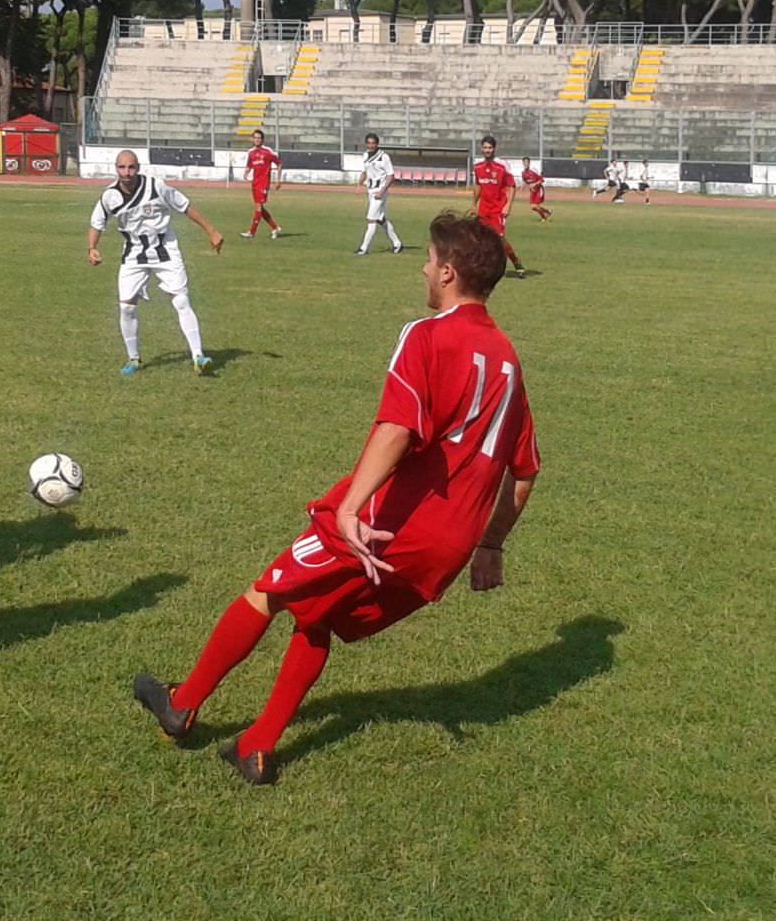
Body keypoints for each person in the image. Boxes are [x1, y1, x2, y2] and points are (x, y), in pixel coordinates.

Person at [132, 212, 541, 785]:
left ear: (448, 273)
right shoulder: (508, 359)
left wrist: (349, 510)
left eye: (428, 260)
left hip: (386, 524)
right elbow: (524, 472)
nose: (422, 268)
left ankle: (183, 702)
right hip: (444, 554)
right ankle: (255, 747)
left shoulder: (427, 334)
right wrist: (491, 545)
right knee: (316, 614)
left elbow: (397, 429)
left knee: (266, 593)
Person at [87, 149, 224, 376]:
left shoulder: (156, 187)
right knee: (126, 307)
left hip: (165, 251)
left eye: (131, 167)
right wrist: (92, 248)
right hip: (133, 255)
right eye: (122, 167)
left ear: (138, 168)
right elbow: (97, 223)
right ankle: (134, 359)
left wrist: (211, 230)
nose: (127, 172)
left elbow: (185, 206)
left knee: (181, 301)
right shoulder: (109, 196)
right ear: (116, 169)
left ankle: (198, 356)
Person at [468, 135, 524, 276]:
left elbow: (511, 186)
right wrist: (474, 204)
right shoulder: (478, 167)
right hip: (484, 208)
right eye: (485, 147)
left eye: (490, 147)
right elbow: (478, 185)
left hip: (498, 208)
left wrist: (508, 206)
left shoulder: (502, 165)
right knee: (481, 238)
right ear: (482, 148)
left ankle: (516, 261)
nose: (487, 150)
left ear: (495, 148)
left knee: (499, 238)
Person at [356, 133, 403, 255]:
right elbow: (365, 171)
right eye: (369, 143)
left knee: (371, 219)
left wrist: (382, 191)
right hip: (370, 191)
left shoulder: (384, 157)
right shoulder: (365, 155)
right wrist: (359, 184)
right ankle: (397, 243)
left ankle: (363, 248)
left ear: (377, 144)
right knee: (381, 219)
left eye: (373, 143)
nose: (371, 145)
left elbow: (390, 175)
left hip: (380, 192)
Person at [240, 129, 282, 240]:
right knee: (260, 208)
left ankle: (252, 232)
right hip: (255, 183)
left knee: (258, 207)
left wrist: (278, 180)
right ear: (253, 139)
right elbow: (249, 165)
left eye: (259, 138)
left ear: (262, 139)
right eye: (255, 137)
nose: (257, 139)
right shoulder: (251, 152)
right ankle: (275, 228)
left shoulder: (268, 151)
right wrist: (246, 173)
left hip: (263, 183)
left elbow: (279, 164)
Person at [519, 157, 551, 221]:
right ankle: (547, 211)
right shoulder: (523, 173)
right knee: (533, 207)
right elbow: (525, 181)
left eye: (527, 162)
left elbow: (541, 180)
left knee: (535, 206)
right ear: (522, 163)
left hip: (539, 190)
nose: (526, 164)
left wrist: (535, 184)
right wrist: (522, 186)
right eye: (524, 162)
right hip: (532, 191)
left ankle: (544, 218)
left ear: (529, 163)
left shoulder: (534, 170)